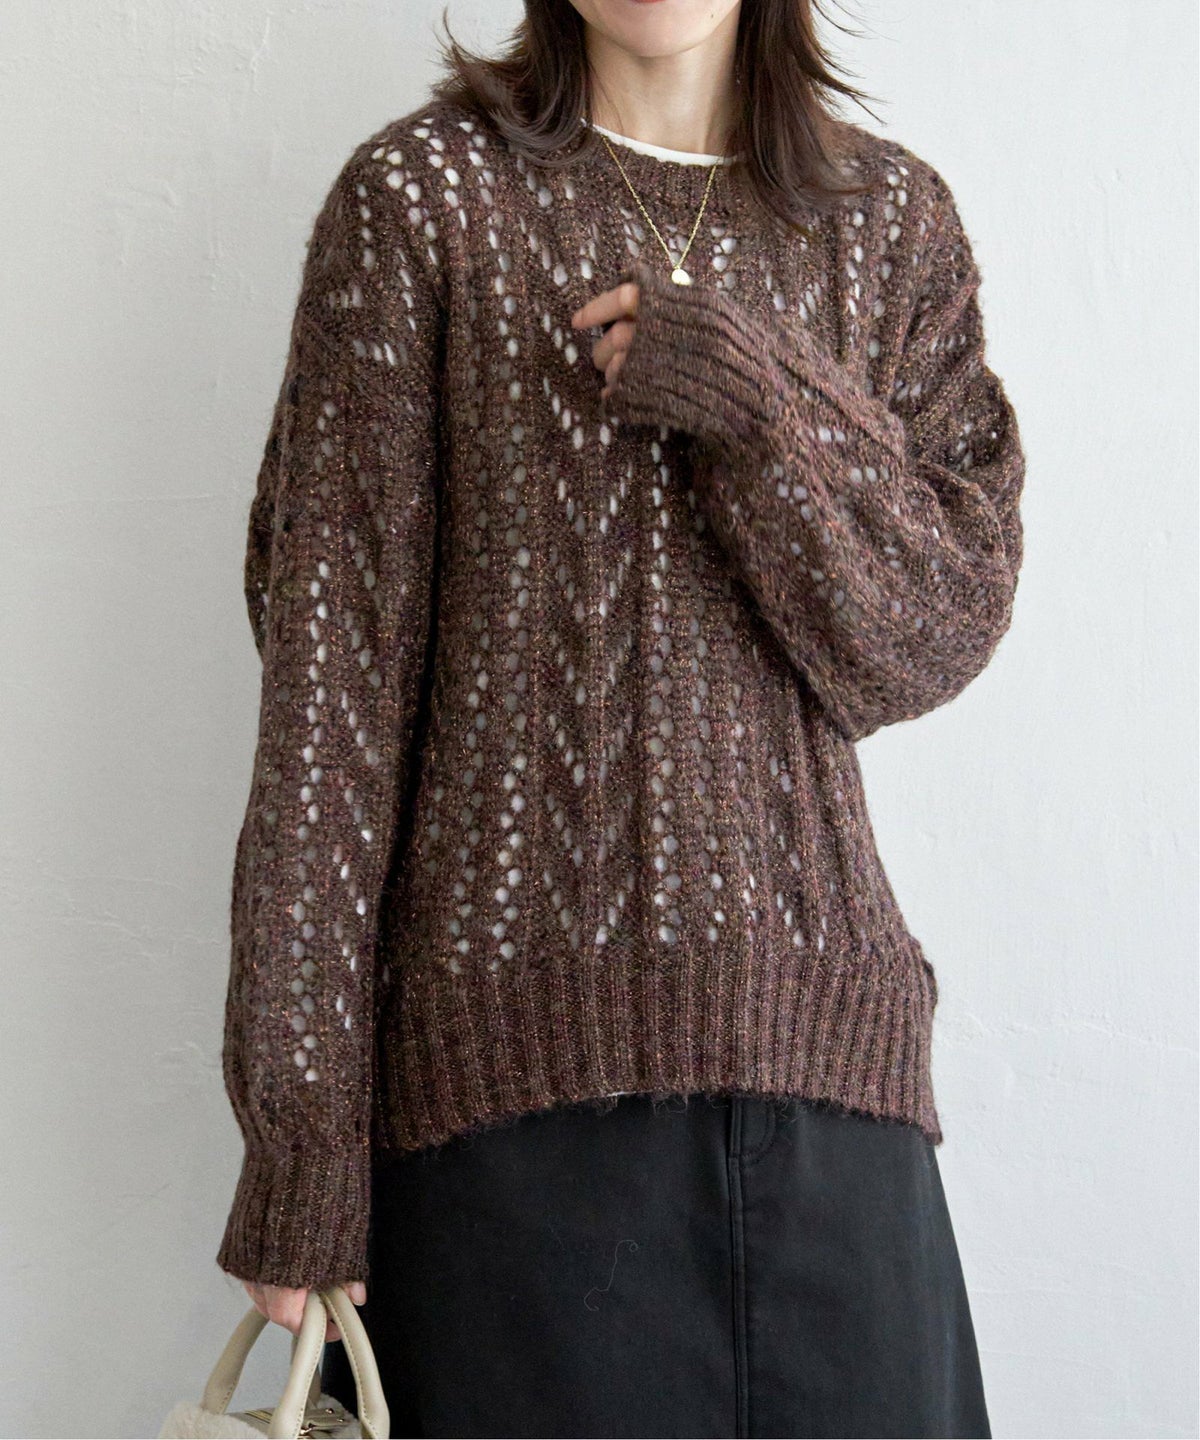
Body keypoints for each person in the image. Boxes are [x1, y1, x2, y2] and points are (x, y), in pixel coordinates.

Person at [215, 1, 1025, 1434]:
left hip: (834, 1106)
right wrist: (300, 1146)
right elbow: (331, 715)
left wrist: (756, 399)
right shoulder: (420, 204)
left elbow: (932, 630)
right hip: (505, 1127)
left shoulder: (889, 222)